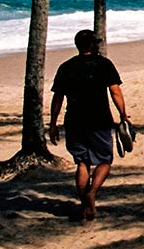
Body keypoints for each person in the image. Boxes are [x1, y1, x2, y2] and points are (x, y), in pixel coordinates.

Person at [48, 29, 130, 221]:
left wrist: (53, 123)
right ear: (92, 45)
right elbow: (115, 92)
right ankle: (92, 193)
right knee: (104, 161)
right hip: (99, 118)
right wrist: (123, 114)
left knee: (82, 163)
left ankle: (85, 206)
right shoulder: (103, 64)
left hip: (74, 120)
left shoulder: (66, 67)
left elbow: (57, 98)